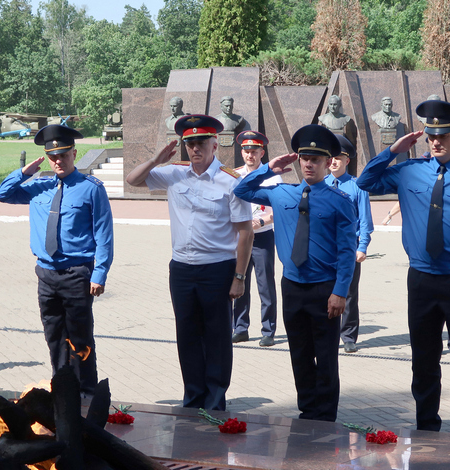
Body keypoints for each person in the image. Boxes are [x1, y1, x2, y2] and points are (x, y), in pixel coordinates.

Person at [357, 100, 450, 435]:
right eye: (431, 136)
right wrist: (393, 150)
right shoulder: (409, 171)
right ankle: (426, 427)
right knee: (423, 360)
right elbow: (366, 181)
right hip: (422, 280)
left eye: (443, 136)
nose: (436, 142)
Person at [126, 114, 253, 410]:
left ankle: (215, 399)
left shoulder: (231, 181)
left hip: (218, 268)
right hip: (182, 269)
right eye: (190, 143)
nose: (195, 148)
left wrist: (240, 277)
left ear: (214, 145)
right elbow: (133, 180)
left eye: (201, 143)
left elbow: (246, 232)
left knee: (217, 336)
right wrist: (156, 160)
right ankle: (194, 398)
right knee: (187, 335)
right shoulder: (174, 173)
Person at [234, 124, 356, 422]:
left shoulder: (340, 201)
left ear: (328, 163)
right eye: (304, 159)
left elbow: (346, 251)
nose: (309, 164)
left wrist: (340, 292)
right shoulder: (282, 193)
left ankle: (325, 415)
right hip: (292, 287)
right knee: (299, 353)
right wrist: (269, 168)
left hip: (325, 288)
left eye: (316, 159)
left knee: (325, 356)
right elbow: (241, 190)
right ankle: (307, 410)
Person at [0, 124, 114, 396]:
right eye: (52, 157)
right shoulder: (38, 187)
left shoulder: (91, 189)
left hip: (76, 273)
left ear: (74, 154)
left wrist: (100, 273)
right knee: (54, 336)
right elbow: (3, 194)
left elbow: (104, 233)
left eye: (63, 155)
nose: (58, 161)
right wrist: (23, 173)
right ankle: (62, 389)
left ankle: (86, 392)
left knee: (80, 336)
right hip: (46, 274)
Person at [231, 130, 281, 347]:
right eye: (246, 150)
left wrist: (262, 221)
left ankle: (268, 330)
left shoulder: (273, 176)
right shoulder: (233, 175)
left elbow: (280, 208)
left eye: (254, 151)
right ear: (242, 152)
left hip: (262, 237)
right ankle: (240, 328)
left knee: (265, 286)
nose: (250, 155)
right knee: (239, 281)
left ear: (262, 152)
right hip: (240, 238)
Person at [324, 135, 373, 353]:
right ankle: (328, 333)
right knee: (325, 290)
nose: (334, 161)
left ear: (347, 160)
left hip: (349, 248)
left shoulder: (357, 186)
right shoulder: (320, 184)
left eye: (338, 158)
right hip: (325, 248)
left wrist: (362, 247)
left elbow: (365, 220)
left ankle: (348, 336)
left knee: (350, 293)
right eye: (331, 158)